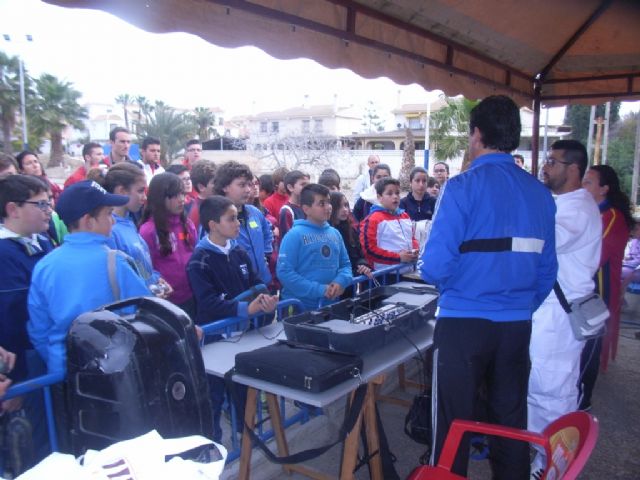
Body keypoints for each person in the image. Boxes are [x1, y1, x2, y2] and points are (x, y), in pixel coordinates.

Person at [420, 95, 557, 479]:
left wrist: (455, 287)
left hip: (462, 324)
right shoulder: (540, 194)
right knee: (510, 423)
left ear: (476, 134)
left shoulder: (460, 187)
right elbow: (547, 271)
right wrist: (519, 305)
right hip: (516, 326)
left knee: (451, 425)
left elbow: (434, 266)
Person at [528, 140, 602, 479]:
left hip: (559, 316)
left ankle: (551, 466)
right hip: (550, 313)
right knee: (541, 385)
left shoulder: (578, 208)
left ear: (573, 169)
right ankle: (542, 456)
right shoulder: (565, 203)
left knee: (552, 389)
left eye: (552, 162)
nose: (545, 167)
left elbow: (545, 240)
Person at [28, 180, 150, 374]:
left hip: (64, 373)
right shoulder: (116, 261)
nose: (113, 221)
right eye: (108, 214)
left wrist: (59, 364)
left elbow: (39, 330)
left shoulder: (44, 266)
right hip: (114, 371)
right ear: (88, 221)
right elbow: (144, 311)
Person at [186, 195, 278, 443]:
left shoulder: (238, 251)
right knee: (213, 394)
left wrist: (265, 300)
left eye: (237, 218)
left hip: (242, 334)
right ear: (213, 224)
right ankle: (212, 444)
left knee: (243, 388)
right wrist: (244, 309)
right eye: (231, 219)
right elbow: (208, 302)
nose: (238, 223)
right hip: (214, 338)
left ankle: (246, 436)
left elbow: (255, 283)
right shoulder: (199, 261)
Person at [0, 174, 55, 445]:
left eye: (49, 203)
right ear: (13, 209)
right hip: (24, 362)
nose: (49, 211)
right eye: (41, 205)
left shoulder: (42, 241)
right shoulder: (4, 254)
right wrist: (16, 378)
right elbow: (10, 319)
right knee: (33, 439)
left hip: (45, 352)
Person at [578, 164, 633, 411]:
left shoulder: (611, 216)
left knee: (589, 347)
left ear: (604, 189)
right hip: (588, 288)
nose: (583, 186)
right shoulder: (593, 212)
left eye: (588, 182)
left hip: (598, 292)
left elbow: (594, 256)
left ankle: (583, 401)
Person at [277, 184, 352, 311]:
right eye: (321, 204)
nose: (328, 207)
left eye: (328, 202)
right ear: (306, 209)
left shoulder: (335, 233)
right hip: (299, 307)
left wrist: (341, 281)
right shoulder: (294, 235)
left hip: (330, 304)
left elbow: (345, 265)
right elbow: (285, 272)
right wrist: (320, 290)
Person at [103, 163, 173, 297]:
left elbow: (139, 264)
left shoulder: (128, 223)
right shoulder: (110, 230)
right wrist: (146, 292)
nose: (144, 197)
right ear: (121, 191)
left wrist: (155, 279)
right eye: (140, 191)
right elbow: (118, 280)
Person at [140, 173, 197, 318]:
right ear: (160, 198)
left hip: (192, 295)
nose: (181, 199)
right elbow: (146, 270)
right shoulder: (148, 231)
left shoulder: (187, 224)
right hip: (167, 302)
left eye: (182, 194)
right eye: (174, 195)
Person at [214, 161, 274, 286]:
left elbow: (267, 233)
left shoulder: (254, 212)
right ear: (225, 187)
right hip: (237, 288)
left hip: (263, 282)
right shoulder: (215, 218)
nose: (248, 190)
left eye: (249, 184)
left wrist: (266, 254)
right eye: (241, 185)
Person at [360, 178, 418, 270]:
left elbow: (412, 238)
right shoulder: (373, 219)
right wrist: (398, 257)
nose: (395, 197)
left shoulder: (405, 216)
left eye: (397, 193)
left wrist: (415, 249)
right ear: (379, 197)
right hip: (386, 273)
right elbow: (369, 250)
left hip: (408, 269)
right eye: (390, 194)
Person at [329, 191, 372, 282]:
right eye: (339, 207)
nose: (345, 210)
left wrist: (363, 265)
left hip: (351, 280)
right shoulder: (326, 232)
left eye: (346, 205)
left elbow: (359, 255)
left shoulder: (351, 230)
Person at [188, 159, 217, 237]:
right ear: (201, 187)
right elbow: (192, 237)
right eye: (214, 182)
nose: (218, 185)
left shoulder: (211, 203)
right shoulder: (198, 211)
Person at [279, 170, 309, 241]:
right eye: (303, 184)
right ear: (290, 187)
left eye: (308, 185)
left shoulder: (309, 207)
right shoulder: (287, 211)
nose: (307, 188)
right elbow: (287, 239)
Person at [621, 220, 640, 292]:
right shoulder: (633, 242)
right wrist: (625, 259)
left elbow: (638, 261)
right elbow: (628, 255)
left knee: (619, 272)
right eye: (634, 229)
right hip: (630, 267)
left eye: (637, 229)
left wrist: (626, 263)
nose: (633, 231)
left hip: (636, 269)